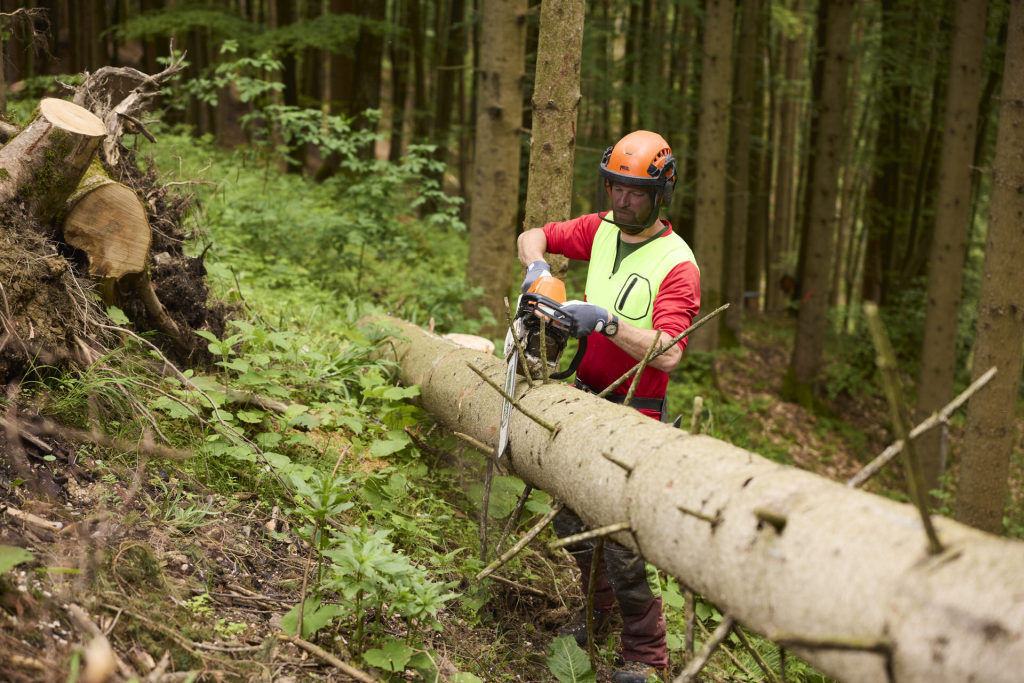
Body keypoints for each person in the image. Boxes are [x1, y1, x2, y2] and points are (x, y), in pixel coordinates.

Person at [516, 130, 700, 682]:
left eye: (635, 192)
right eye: (616, 188)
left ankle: (646, 655)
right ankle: (598, 617)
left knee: (620, 539)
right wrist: (538, 271)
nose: (622, 200)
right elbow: (532, 234)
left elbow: (669, 354)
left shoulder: (677, 263)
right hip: (583, 402)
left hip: (633, 414)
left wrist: (609, 323)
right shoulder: (599, 229)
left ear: (660, 193)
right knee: (572, 518)